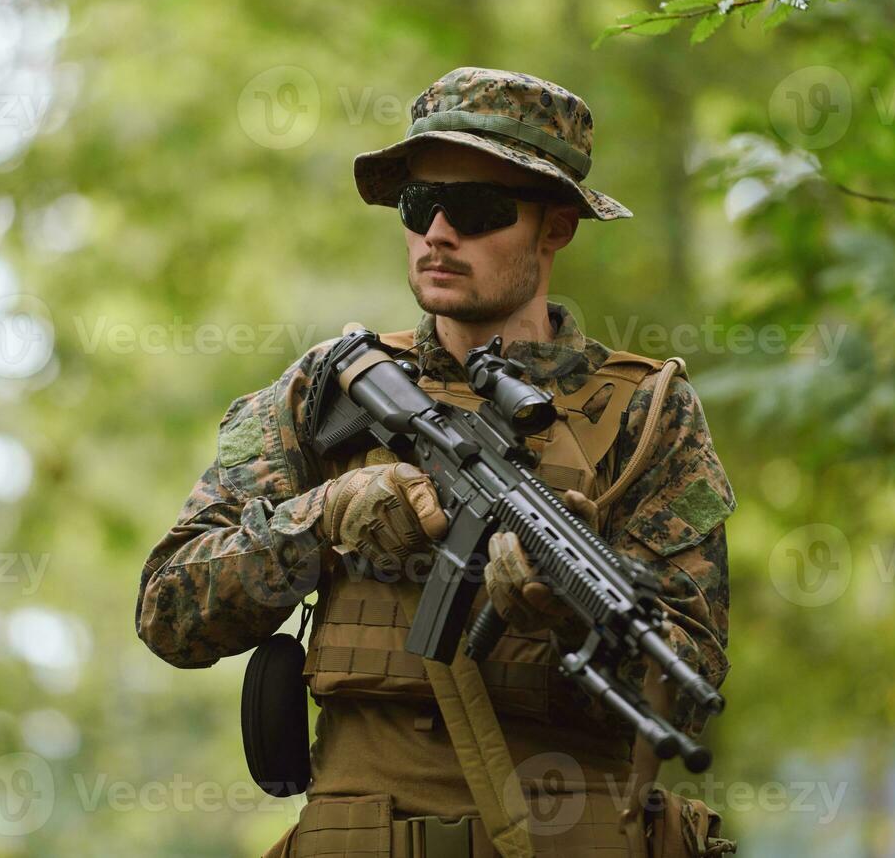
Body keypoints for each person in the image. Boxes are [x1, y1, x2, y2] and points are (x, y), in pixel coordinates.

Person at [136, 67, 735, 857]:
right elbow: (169, 612)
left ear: (556, 228)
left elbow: (688, 686)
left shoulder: (646, 412)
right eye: (420, 207)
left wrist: (560, 611)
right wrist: (321, 518)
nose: (439, 234)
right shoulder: (330, 388)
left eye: (479, 210)